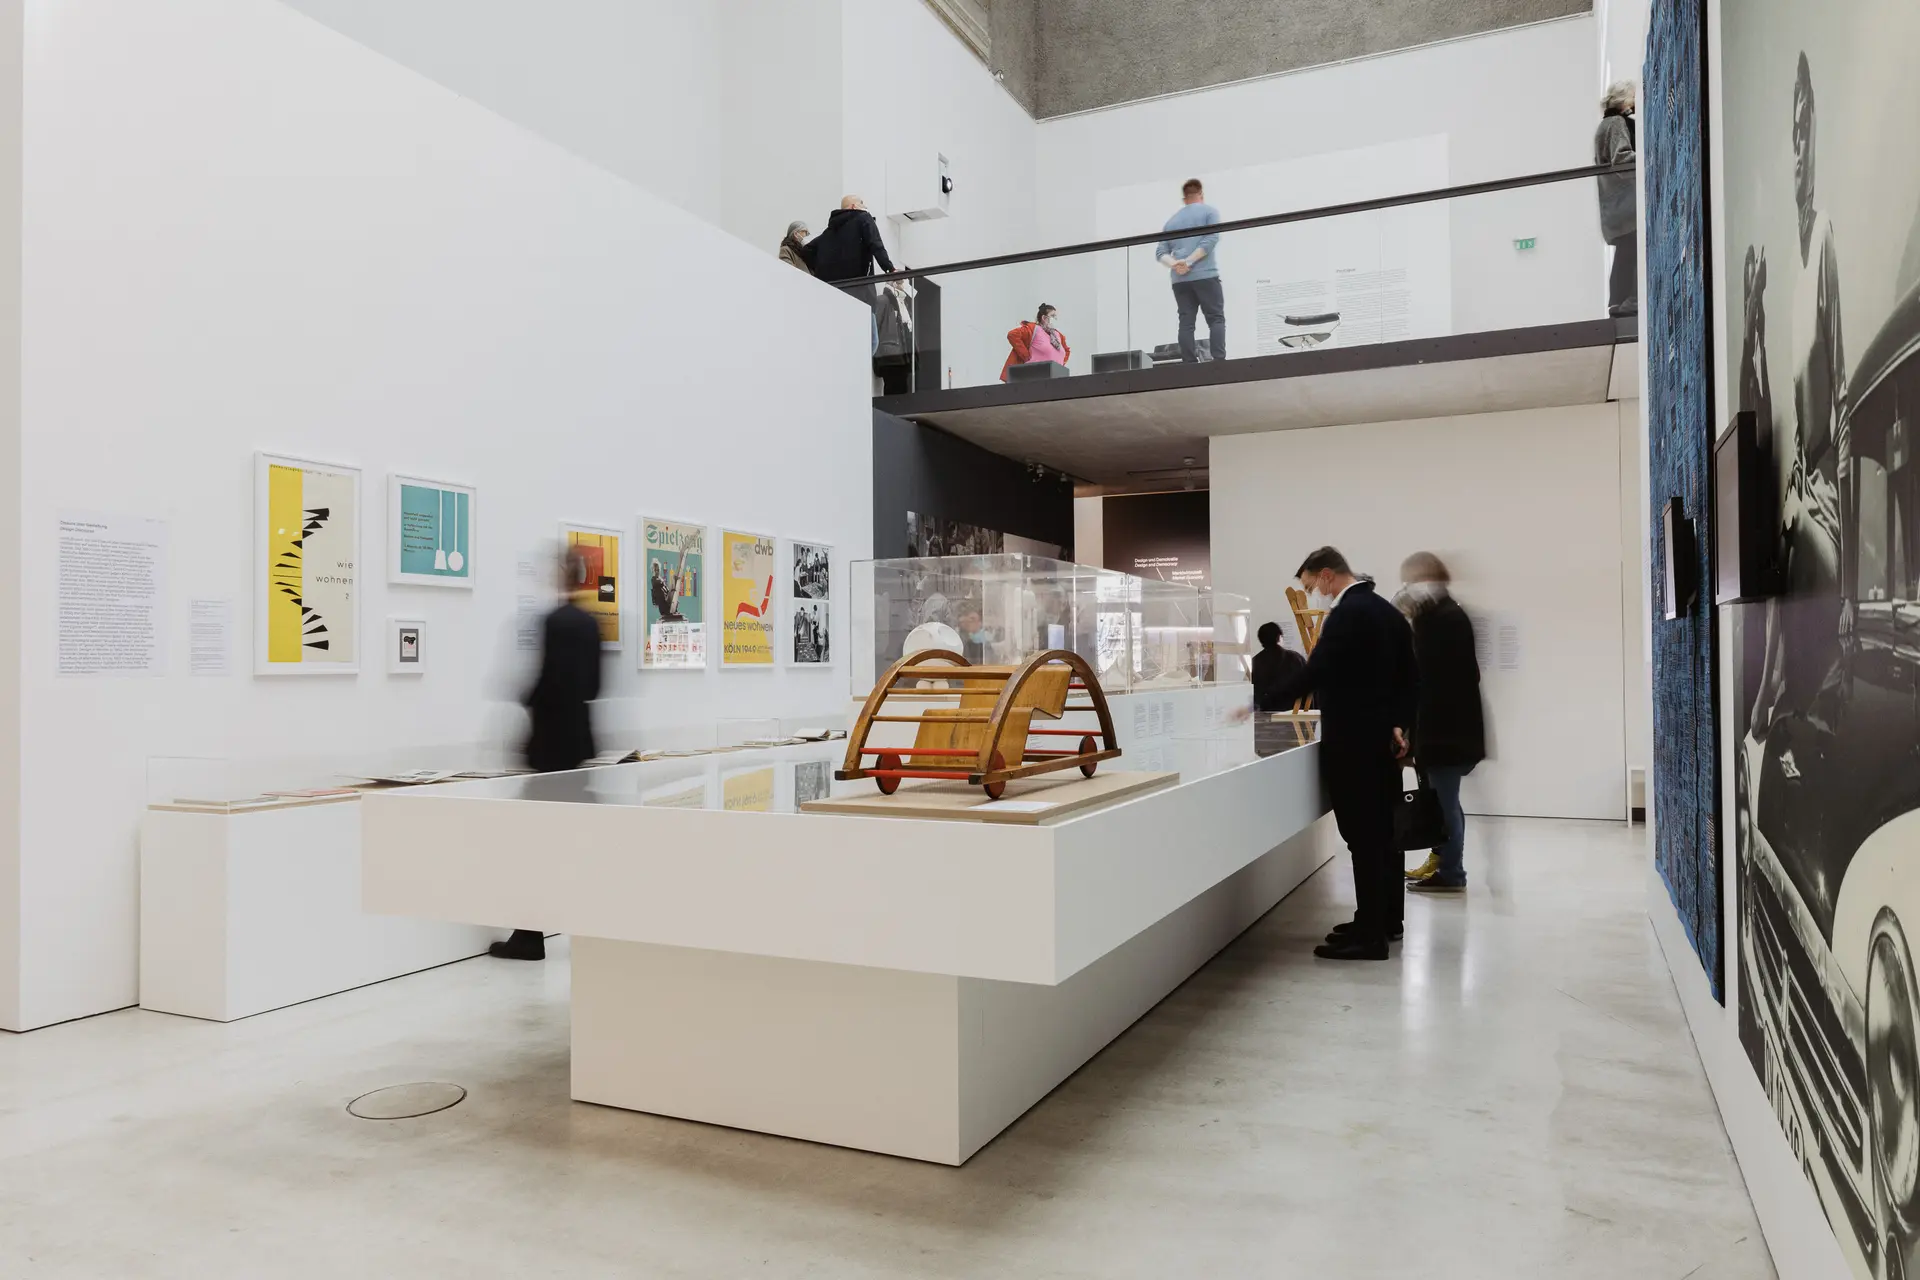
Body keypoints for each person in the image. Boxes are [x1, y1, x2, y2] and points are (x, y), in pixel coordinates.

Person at [1743, 51, 1848, 744]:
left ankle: (1768, 706)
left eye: (1807, 131)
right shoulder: (1789, 263)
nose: (1800, 150)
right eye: (1793, 135)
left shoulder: (1826, 239)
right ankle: (1769, 709)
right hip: (1798, 492)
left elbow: (1838, 396)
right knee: (1774, 534)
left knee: (1790, 538)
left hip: (1826, 504)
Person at [1250, 547, 1417, 960]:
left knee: (1363, 836)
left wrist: (1263, 703)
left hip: (1354, 744)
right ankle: (1382, 921)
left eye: (1312, 587)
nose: (1315, 595)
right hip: (1380, 741)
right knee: (1383, 835)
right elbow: (1410, 676)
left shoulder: (1348, 613)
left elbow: (1316, 670)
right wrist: (1401, 724)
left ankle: (1370, 937)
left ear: (1327, 575)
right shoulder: (1387, 611)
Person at [494, 547, 605, 961]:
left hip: (549, 753)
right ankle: (595, 930)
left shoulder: (554, 623)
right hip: (579, 751)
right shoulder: (591, 624)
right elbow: (593, 687)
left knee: (531, 847)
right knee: (578, 845)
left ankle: (529, 936)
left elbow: (546, 684)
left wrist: (524, 700)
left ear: (562, 575)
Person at [1396, 553, 1486, 892]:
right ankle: (1445, 865)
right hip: (1449, 732)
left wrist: (1413, 734)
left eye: (1411, 581)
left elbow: (1428, 681)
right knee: (1445, 802)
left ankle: (1451, 872)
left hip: (1445, 734)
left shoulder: (1441, 618)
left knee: (1445, 804)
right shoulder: (1445, 615)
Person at [1157, 179, 1224, 363]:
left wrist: (1176, 264)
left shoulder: (1171, 221)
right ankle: (1219, 361)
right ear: (1201, 194)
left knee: (1186, 322)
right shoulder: (1210, 212)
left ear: (1184, 198)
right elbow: (1210, 241)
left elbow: (1160, 253)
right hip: (1206, 274)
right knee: (1216, 319)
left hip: (1180, 280)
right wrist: (1188, 262)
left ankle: (1189, 363)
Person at [1595, 81, 1638, 318]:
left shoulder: (1605, 125)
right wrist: (1649, 157)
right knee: (1635, 248)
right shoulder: (1616, 123)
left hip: (1615, 205)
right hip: (1626, 203)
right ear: (1624, 101)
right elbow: (1622, 159)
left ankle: (1619, 302)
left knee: (1626, 250)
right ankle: (1630, 301)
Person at [799, 195, 896, 295]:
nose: (865, 206)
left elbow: (806, 251)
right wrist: (890, 269)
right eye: (861, 203)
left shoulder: (828, 232)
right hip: (859, 287)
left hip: (830, 289)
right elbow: (876, 244)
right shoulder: (864, 217)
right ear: (853, 206)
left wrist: (819, 270)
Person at [1000, 305, 1071, 380]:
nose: (1055, 319)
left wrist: (1060, 364)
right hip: (1034, 376)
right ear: (1044, 318)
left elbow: (1067, 350)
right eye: (1053, 316)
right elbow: (1013, 335)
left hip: (1056, 378)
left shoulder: (1058, 335)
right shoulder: (1034, 329)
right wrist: (1025, 355)